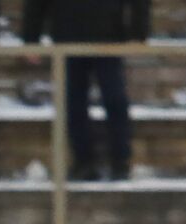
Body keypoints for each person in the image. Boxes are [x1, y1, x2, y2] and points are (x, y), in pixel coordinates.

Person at [21, 0, 150, 180]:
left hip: (107, 36)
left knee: (114, 100)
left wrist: (139, 33)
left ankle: (119, 161)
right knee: (75, 103)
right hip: (69, 35)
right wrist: (30, 38)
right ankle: (84, 162)